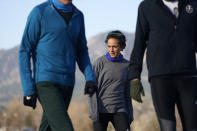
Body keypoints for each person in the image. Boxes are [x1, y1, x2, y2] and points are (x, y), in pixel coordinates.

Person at [19, 0, 97, 130]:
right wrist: (28, 88)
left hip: (68, 83)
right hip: (46, 82)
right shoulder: (40, 12)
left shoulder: (78, 15)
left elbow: (81, 50)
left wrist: (90, 78)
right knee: (64, 128)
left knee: (48, 127)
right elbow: (25, 50)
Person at [129, 0, 197, 130]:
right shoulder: (146, 7)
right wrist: (134, 76)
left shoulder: (192, 4)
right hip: (160, 78)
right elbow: (139, 42)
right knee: (167, 127)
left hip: (188, 77)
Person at [89, 30, 133, 131]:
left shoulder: (127, 66)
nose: (111, 50)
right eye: (109, 46)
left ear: (122, 47)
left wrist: (129, 114)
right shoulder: (99, 63)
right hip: (100, 111)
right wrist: (94, 112)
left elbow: (127, 92)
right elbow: (92, 90)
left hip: (120, 109)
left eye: (115, 46)